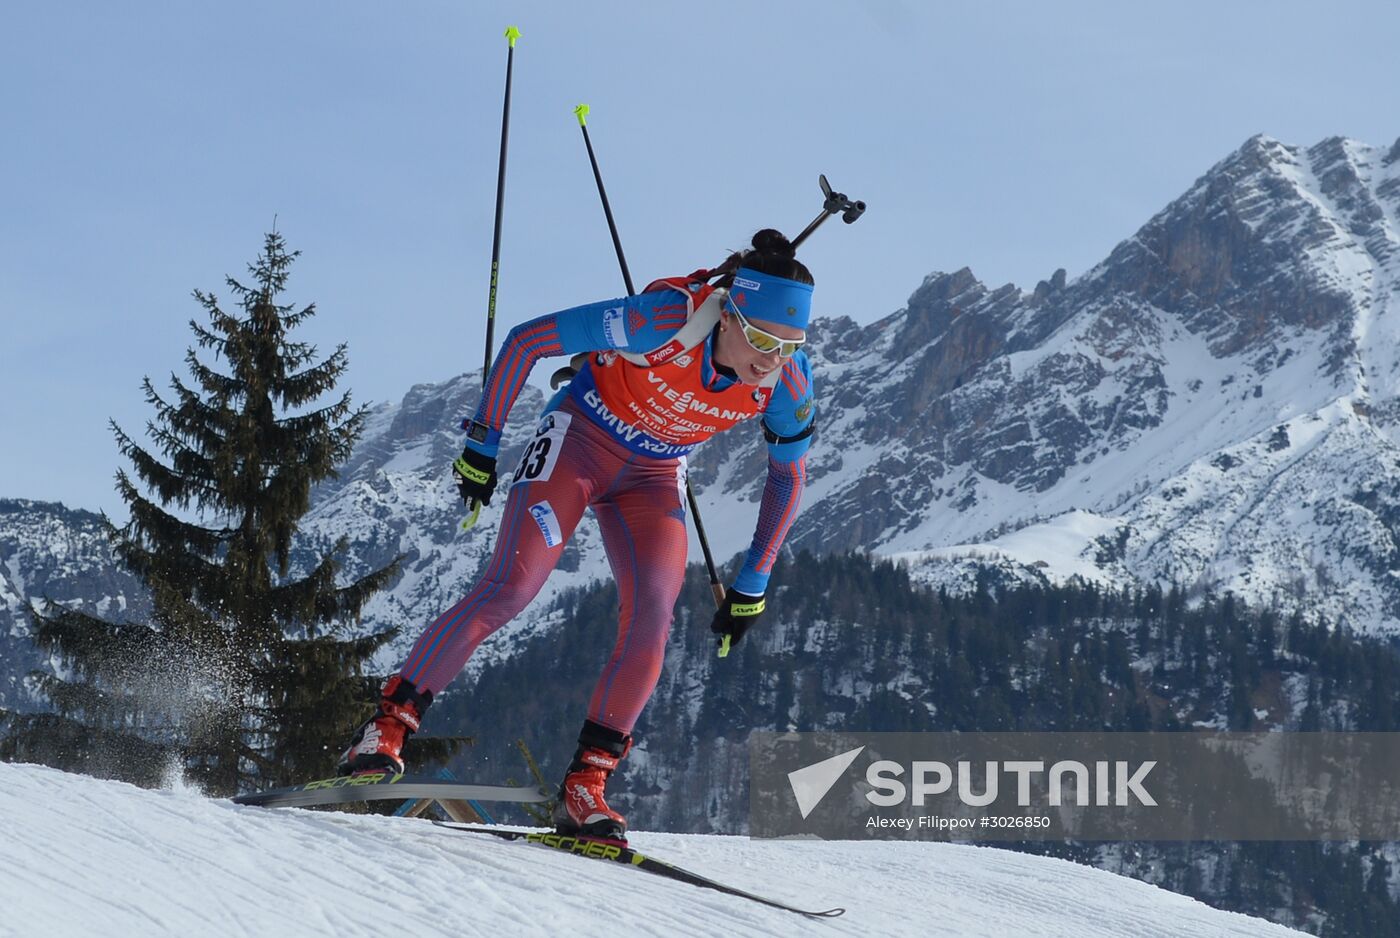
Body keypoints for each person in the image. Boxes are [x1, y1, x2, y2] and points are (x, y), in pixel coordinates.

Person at [336, 229, 816, 841]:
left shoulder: (787, 382)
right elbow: (527, 341)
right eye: (763, 339)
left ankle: (585, 787)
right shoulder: (665, 320)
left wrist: (753, 582)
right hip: (580, 442)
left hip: (655, 476)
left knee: (653, 619)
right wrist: (482, 443)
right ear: (731, 315)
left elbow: (788, 474)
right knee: (512, 586)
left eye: (791, 344)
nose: (773, 357)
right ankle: (387, 728)